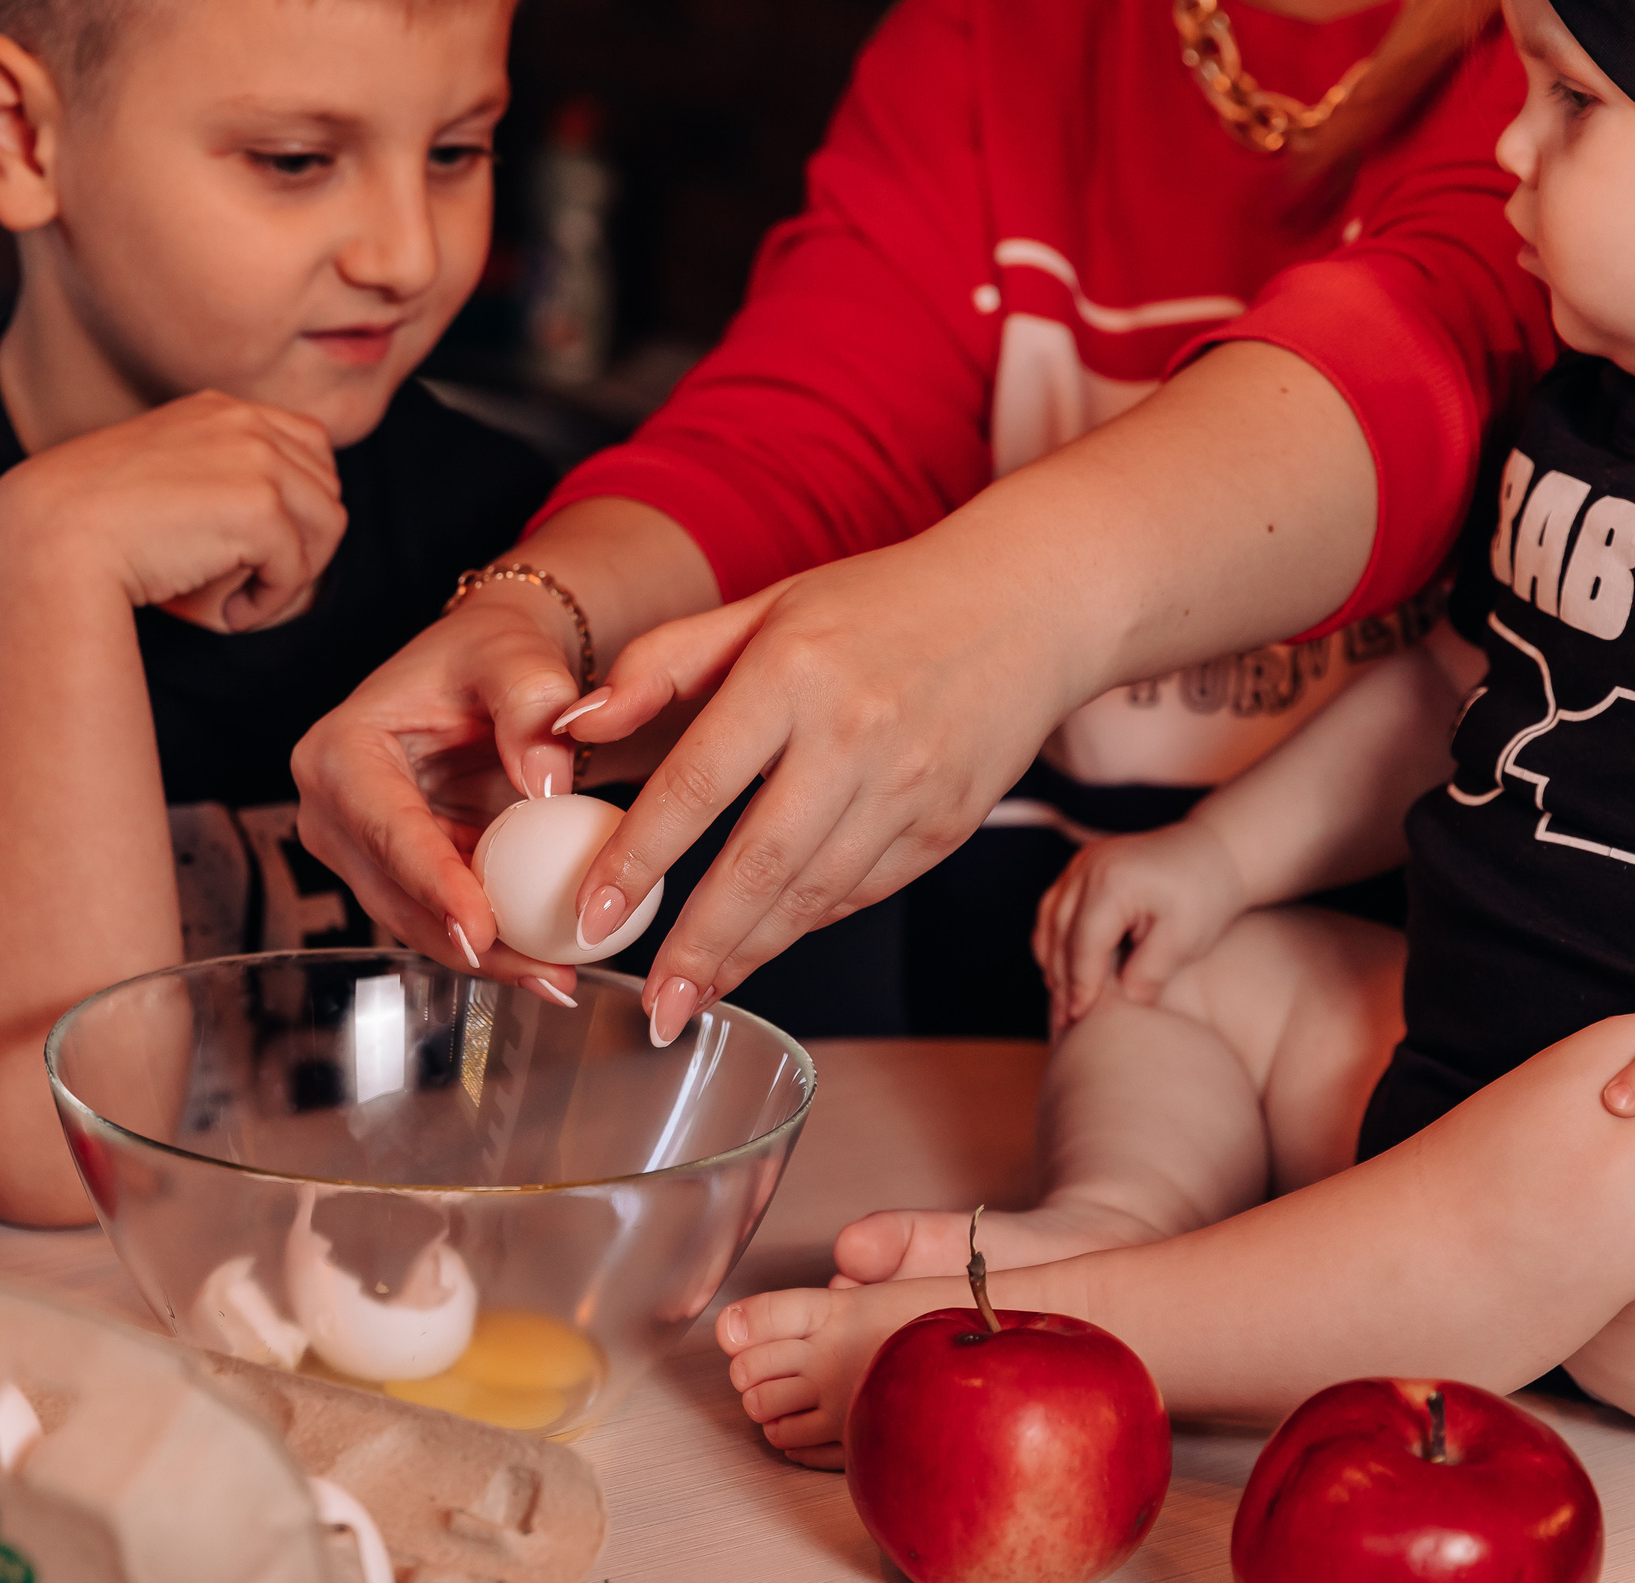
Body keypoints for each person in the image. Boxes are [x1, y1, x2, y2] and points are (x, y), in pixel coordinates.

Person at [718, 0, 1635, 1467]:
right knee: (1185, 961)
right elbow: (1441, 693)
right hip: (1460, 1073)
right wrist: (1215, 857)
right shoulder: (1586, 416)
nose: (1510, 145)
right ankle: (1116, 1220)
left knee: (1621, 1120)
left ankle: (1078, 1329)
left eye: (1575, 105)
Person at [293, 0, 1554, 1042]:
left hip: (1422, 1088)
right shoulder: (996, 36)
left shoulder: (1593, 54)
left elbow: (1443, 346)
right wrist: (540, 615)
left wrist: (1011, 600)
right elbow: (813, 429)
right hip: (1008, 1073)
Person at [0, 0, 554, 1222]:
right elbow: (38, 1158)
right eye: (294, 160)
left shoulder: (521, 544)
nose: (409, 255)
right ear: (19, 136)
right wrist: (50, 554)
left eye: (453, 152)